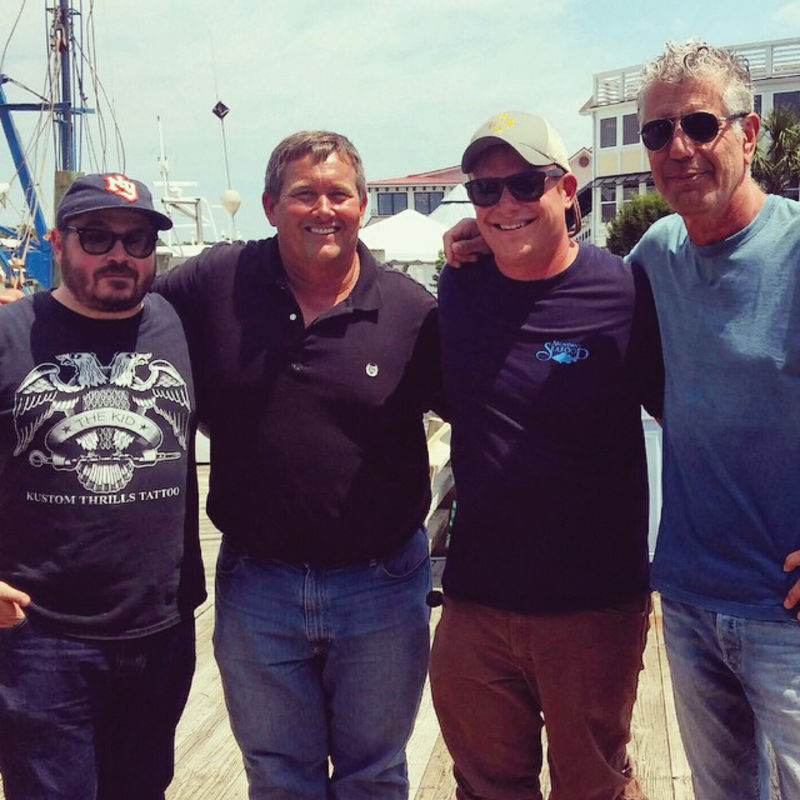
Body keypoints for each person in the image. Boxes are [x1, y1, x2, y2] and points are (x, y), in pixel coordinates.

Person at [154, 130, 441, 799]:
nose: (323, 208)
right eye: (303, 193)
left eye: (339, 193)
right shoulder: (216, 280)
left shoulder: (410, 310)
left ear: (362, 205)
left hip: (382, 584)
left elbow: (486, 413)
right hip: (259, 584)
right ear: (269, 204)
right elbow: (119, 308)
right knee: (280, 780)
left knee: (374, 776)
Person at [429, 111, 663, 800]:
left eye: (525, 184)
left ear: (566, 189)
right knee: (484, 787)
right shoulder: (461, 284)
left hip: (590, 606)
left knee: (595, 787)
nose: (504, 205)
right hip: (474, 600)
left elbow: (702, 416)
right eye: (485, 191)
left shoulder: (623, 291)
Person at [626, 40, 800, 799]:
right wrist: (480, 246)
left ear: (750, 132)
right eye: (659, 132)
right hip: (692, 600)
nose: (680, 148)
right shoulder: (656, 253)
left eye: (700, 124)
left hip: (787, 612)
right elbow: (563, 298)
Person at [0, 173, 205, 800]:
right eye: (97, 237)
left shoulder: (178, 321)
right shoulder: (10, 336)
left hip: (161, 627)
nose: (119, 254)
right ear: (59, 243)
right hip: (40, 636)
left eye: (137, 240)